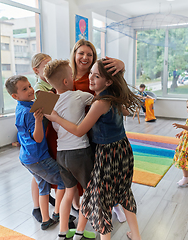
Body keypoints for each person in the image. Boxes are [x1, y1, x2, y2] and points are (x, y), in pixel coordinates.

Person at [45, 59, 142, 240]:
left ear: (108, 82)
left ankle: (81, 233)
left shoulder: (99, 103)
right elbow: (126, 111)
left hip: (106, 154)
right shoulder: (112, 97)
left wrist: (56, 117)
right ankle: (136, 235)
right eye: (91, 73)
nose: (90, 78)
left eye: (96, 76)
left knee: (100, 200)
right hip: (123, 150)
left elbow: (79, 130)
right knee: (124, 192)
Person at [70, 38, 127, 223]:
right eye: (81, 53)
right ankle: (78, 208)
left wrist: (122, 65)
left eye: (89, 54)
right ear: (74, 55)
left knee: (104, 175)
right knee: (81, 176)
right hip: (74, 132)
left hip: (98, 134)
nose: (85, 57)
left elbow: (117, 83)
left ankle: (111, 206)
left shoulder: (99, 76)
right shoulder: (68, 77)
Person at [5, 75, 65, 230]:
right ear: (15, 96)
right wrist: (38, 121)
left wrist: (46, 100)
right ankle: (57, 213)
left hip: (27, 157)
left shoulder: (22, 107)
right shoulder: (30, 113)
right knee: (64, 180)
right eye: (25, 89)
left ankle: (46, 220)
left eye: (30, 86)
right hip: (38, 158)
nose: (31, 90)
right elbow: (38, 138)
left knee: (43, 186)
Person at [43, 59, 96, 240]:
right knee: (90, 192)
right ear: (67, 81)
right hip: (79, 151)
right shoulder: (79, 95)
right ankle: (80, 232)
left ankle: (62, 232)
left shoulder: (49, 102)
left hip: (61, 154)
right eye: (72, 76)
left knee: (68, 192)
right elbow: (97, 100)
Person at [29, 53, 56, 223]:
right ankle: (36, 207)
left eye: (51, 65)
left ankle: (45, 199)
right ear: (36, 70)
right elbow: (48, 109)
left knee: (46, 173)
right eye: (45, 66)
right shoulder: (39, 88)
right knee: (38, 174)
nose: (49, 69)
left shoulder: (49, 84)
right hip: (42, 134)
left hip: (50, 132)